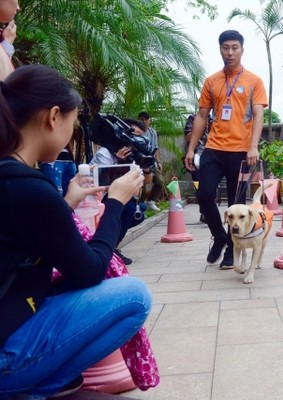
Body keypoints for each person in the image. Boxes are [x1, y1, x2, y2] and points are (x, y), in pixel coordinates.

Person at [0, 64, 150, 398]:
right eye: (73, 119)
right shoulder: (30, 188)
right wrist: (116, 203)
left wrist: (66, 202)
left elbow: (24, 236)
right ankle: (33, 387)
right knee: (134, 297)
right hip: (4, 358)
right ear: (53, 117)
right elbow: (89, 271)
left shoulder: (10, 177)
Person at [184, 30, 267, 269]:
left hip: (241, 152)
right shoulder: (212, 81)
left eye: (234, 47)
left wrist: (253, 146)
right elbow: (202, 116)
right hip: (214, 148)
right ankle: (220, 237)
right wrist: (192, 150)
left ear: (242, 49)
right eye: (225, 48)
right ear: (219, 49)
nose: (230, 52)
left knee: (237, 203)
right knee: (204, 195)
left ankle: (232, 249)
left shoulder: (254, 81)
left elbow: (259, 115)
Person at [90, 118, 148, 265]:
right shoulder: (105, 153)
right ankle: (109, 249)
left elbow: (138, 188)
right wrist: (120, 163)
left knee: (139, 211)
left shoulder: (131, 156)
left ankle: (113, 246)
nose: (135, 140)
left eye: (139, 136)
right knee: (128, 208)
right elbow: (108, 186)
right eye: (134, 135)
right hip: (96, 199)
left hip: (115, 199)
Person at [138, 111, 164, 212]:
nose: (143, 121)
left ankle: (151, 201)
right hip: (139, 162)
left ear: (149, 121)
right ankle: (140, 206)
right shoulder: (135, 132)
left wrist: (158, 162)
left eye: (145, 119)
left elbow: (156, 148)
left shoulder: (153, 132)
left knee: (160, 181)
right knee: (141, 184)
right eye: (141, 119)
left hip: (151, 161)